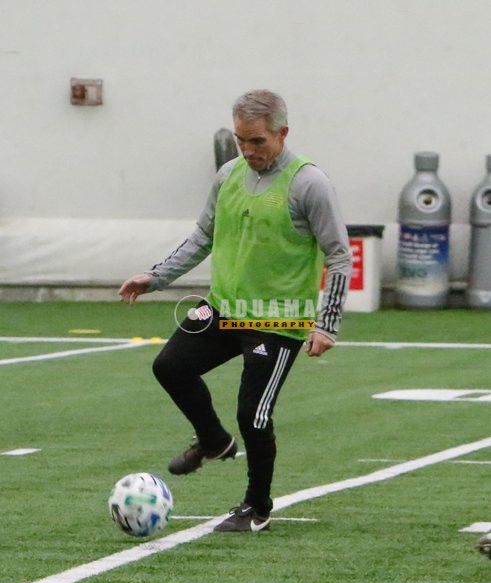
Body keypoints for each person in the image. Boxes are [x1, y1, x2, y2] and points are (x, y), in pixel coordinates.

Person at [119, 89, 352, 532]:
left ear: (282, 133)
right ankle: (213, 441)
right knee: (170, 366)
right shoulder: (228, 174)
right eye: (241, 140)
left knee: (253, 415)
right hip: (224, 308)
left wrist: (328, 324)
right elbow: (202, 236)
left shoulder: (309, 184)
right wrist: (156, 277)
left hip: (279, 321)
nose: (247, 150)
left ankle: (257, 508)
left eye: (257, 141)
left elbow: (339, 256)